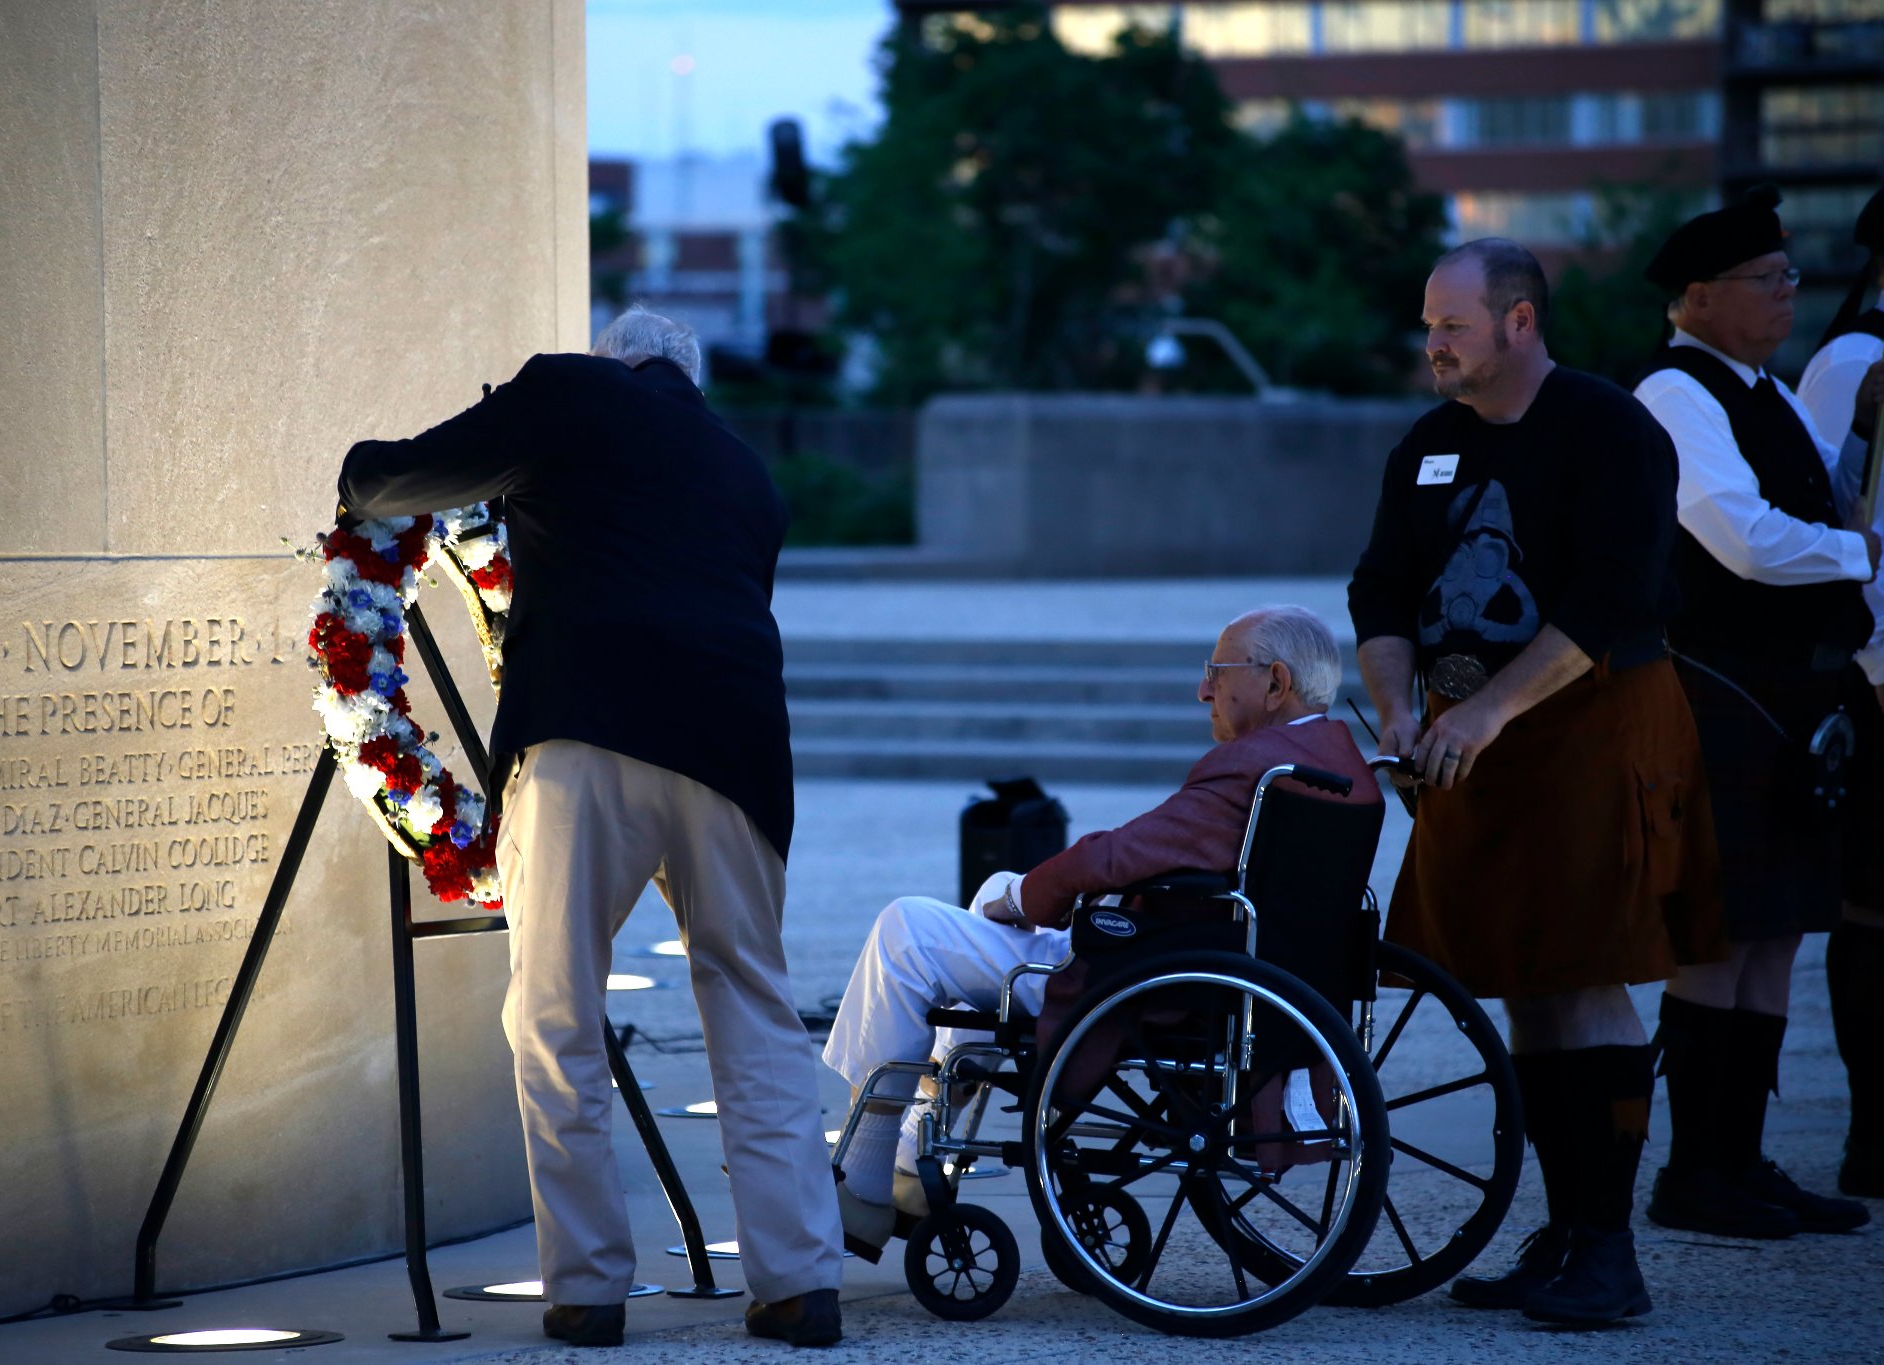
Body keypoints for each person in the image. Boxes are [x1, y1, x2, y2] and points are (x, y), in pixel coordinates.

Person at [337, 306, 843, 1349]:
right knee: (750, 1009)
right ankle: (797, 1285)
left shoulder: (565, 393)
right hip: (738, 758)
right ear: (687, 379)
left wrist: (360, 479)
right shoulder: (748, 473)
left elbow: (395, 480)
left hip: (584, 736)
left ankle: (588, 1290)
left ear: (613, 361)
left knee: (557, 1012)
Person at [1349, 238, 1726, 1326]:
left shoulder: (1608, 429)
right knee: (1521, 976)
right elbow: (1378, 587)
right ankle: (1562, 1232)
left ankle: (1607, 1252)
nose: (1431, 343)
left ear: (1518, 322)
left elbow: (1614, 594)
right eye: (1426, 324)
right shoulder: (1428, 445)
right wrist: (1394, 706)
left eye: (1450, 325)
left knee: (1583, 974)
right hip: (1470, 750)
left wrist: (1487, 709)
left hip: (1588, 728)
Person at [820, 605, 1378, 1260]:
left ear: (1276, 682)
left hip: (1147, 977)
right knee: (984, 898)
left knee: (905, 929)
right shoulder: (1339, 763)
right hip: (1228, 963)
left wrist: (1031, 895)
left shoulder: (1253, 766)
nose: (1203, 690)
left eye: (1215, 672)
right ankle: (917, 1147)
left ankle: (869, 1172)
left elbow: (1116, 855)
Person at [1633, 187, 1878, 1241]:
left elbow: (1819, 498)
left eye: (1787, 277)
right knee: (1719, 933)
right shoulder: (1673, 390)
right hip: (1720, 693)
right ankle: (1693, 1170)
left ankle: (1738, 1159)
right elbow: (1734, 534)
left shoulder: (1762, 388)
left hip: (1795, 695)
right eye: (1764, 281)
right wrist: (1856, 554)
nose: (1788, 295)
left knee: (1775, 933)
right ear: (1696, 296)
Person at [1797, 184, 1884, 1198]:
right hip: (1874, 671)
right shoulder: (1853, 361)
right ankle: (1871, 1131)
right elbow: (1823, 514)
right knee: (1873, 905)